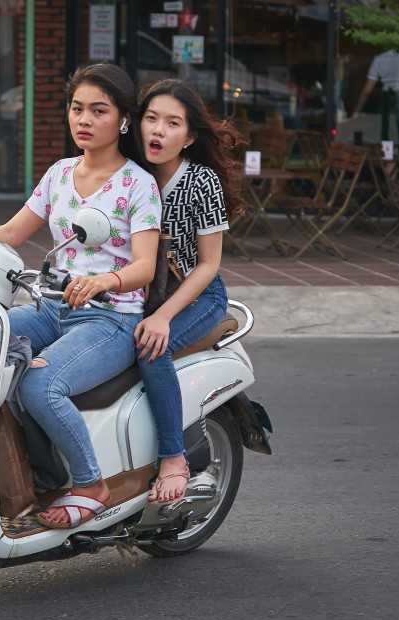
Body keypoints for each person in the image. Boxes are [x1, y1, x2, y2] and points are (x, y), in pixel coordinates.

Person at [0, 63, 162, 529]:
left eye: (98, 110)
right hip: (51, 309)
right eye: (76, 108)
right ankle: (31, 474)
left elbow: (145, 265)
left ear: (124, 120)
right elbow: (10, 232)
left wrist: (105, 281)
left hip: (108, 320)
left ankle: (91, 483)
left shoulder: (138, 185)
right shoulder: (60, 174)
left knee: (39, 385)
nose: (83, 119)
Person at [135, 79, 245, 504]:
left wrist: (163, 317)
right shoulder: (130, 174)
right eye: (151, 119)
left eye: (172, 123)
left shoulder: (200, 182)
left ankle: (173, 458)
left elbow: (209, 264)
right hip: (142, 294)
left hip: (198, 296)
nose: (158, 131)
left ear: (190, 135)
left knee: (151, 347)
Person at [349, 49, 399, 155]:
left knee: (388, 146)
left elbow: (367, 91)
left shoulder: (379, 59)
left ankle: (390, 166)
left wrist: (357, 111)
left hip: (386, 104)